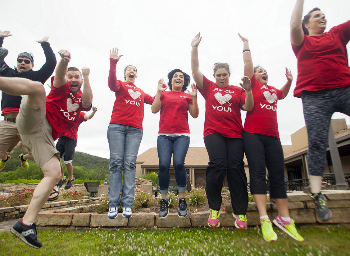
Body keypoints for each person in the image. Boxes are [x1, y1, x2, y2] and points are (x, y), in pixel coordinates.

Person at [0, 47, 93, 248]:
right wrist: (64, 62)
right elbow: (59, 76)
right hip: (36, 120)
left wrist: (86, 76)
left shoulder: (79, 104)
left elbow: (87, 102)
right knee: (37, 88)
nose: (73, 79)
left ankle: (25, 224)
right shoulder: (61, 87)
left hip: (43, 137)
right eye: (71, 77)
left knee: (54, 172)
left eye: (77, 77)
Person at [239, 34, 304, 242]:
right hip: (252, 135)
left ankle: (284, 220)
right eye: (259, 71)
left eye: (264, 70)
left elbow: (283, 94)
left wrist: (288, 82)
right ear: (253, 76)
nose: (263, 72)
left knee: (277, 174)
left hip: (273, 136)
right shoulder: (254, 86)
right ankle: (265, 219)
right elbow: (248, 64)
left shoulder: (272, 90)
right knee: (257, 173)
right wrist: (247, 45)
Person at [290, 0, 350, 221]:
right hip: (315, 96)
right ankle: (317, 194)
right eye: (316, 16)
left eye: (323, 15)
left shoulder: (337, 34)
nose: (322, 17)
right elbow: (294, 26)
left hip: (344, 89)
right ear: (307, 24)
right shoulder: (301, 42)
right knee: (316, 142)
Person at [191, 33, 253, 228]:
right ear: (214, 76)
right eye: (218, 75)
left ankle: (240, 213)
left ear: (229, 75)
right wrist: (194, 48)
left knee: (236, 168)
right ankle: (214, 209)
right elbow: (195, 71)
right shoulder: (208, 87)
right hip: (213, 133)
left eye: (224, 74)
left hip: (235, 134)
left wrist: (249, 90)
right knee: (217, 166)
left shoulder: (238, 90)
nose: (221, 77)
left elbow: (248, 107)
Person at [107, 48, 154, 219]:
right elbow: (111, 84)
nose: (132, 71)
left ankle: (127, 204)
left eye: (134, 70)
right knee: (116, 163)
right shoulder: (120, 85)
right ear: (125, 74)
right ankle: (112, 204)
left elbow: (155, 101)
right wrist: (113, 63)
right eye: (129, 70)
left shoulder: (141, 92)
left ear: (136, 75)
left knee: (130, 164)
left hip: (135, 130)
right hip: (117, 128)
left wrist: (163, 90)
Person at [0, 31, 56, 170]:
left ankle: (23, 155)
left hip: (29, 124)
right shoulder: (8, 73)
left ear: (32, 64)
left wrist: (45, 44)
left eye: (27, 61)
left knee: (47, 156)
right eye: (20, 60)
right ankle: (6, 157)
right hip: (8, 122)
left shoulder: (36, 76)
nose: (23, 63)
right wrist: (0, 39)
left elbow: (51, 63)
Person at [151, 69, 199, 218]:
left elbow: (195, 114)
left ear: (184, 82)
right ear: (171, 80)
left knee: (179, 163)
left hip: (182, 135)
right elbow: (154, 109)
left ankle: (182, 199)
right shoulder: (164, 94)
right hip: (164, 135)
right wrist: (158, 92)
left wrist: (194, 97)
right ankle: (164, 200)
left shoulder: (187, 96)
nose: (178, 78)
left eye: (181, 77)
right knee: (163, 165)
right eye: (175, 76)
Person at [56, 106, 98, 190]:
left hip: (71, 139)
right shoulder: (65, 111)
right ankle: (62, 178)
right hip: (62, 137)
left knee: (67, 161)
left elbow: (88, 117)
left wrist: (93, 112)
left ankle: (71, 178)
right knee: (56, 159)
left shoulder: (80, 114)